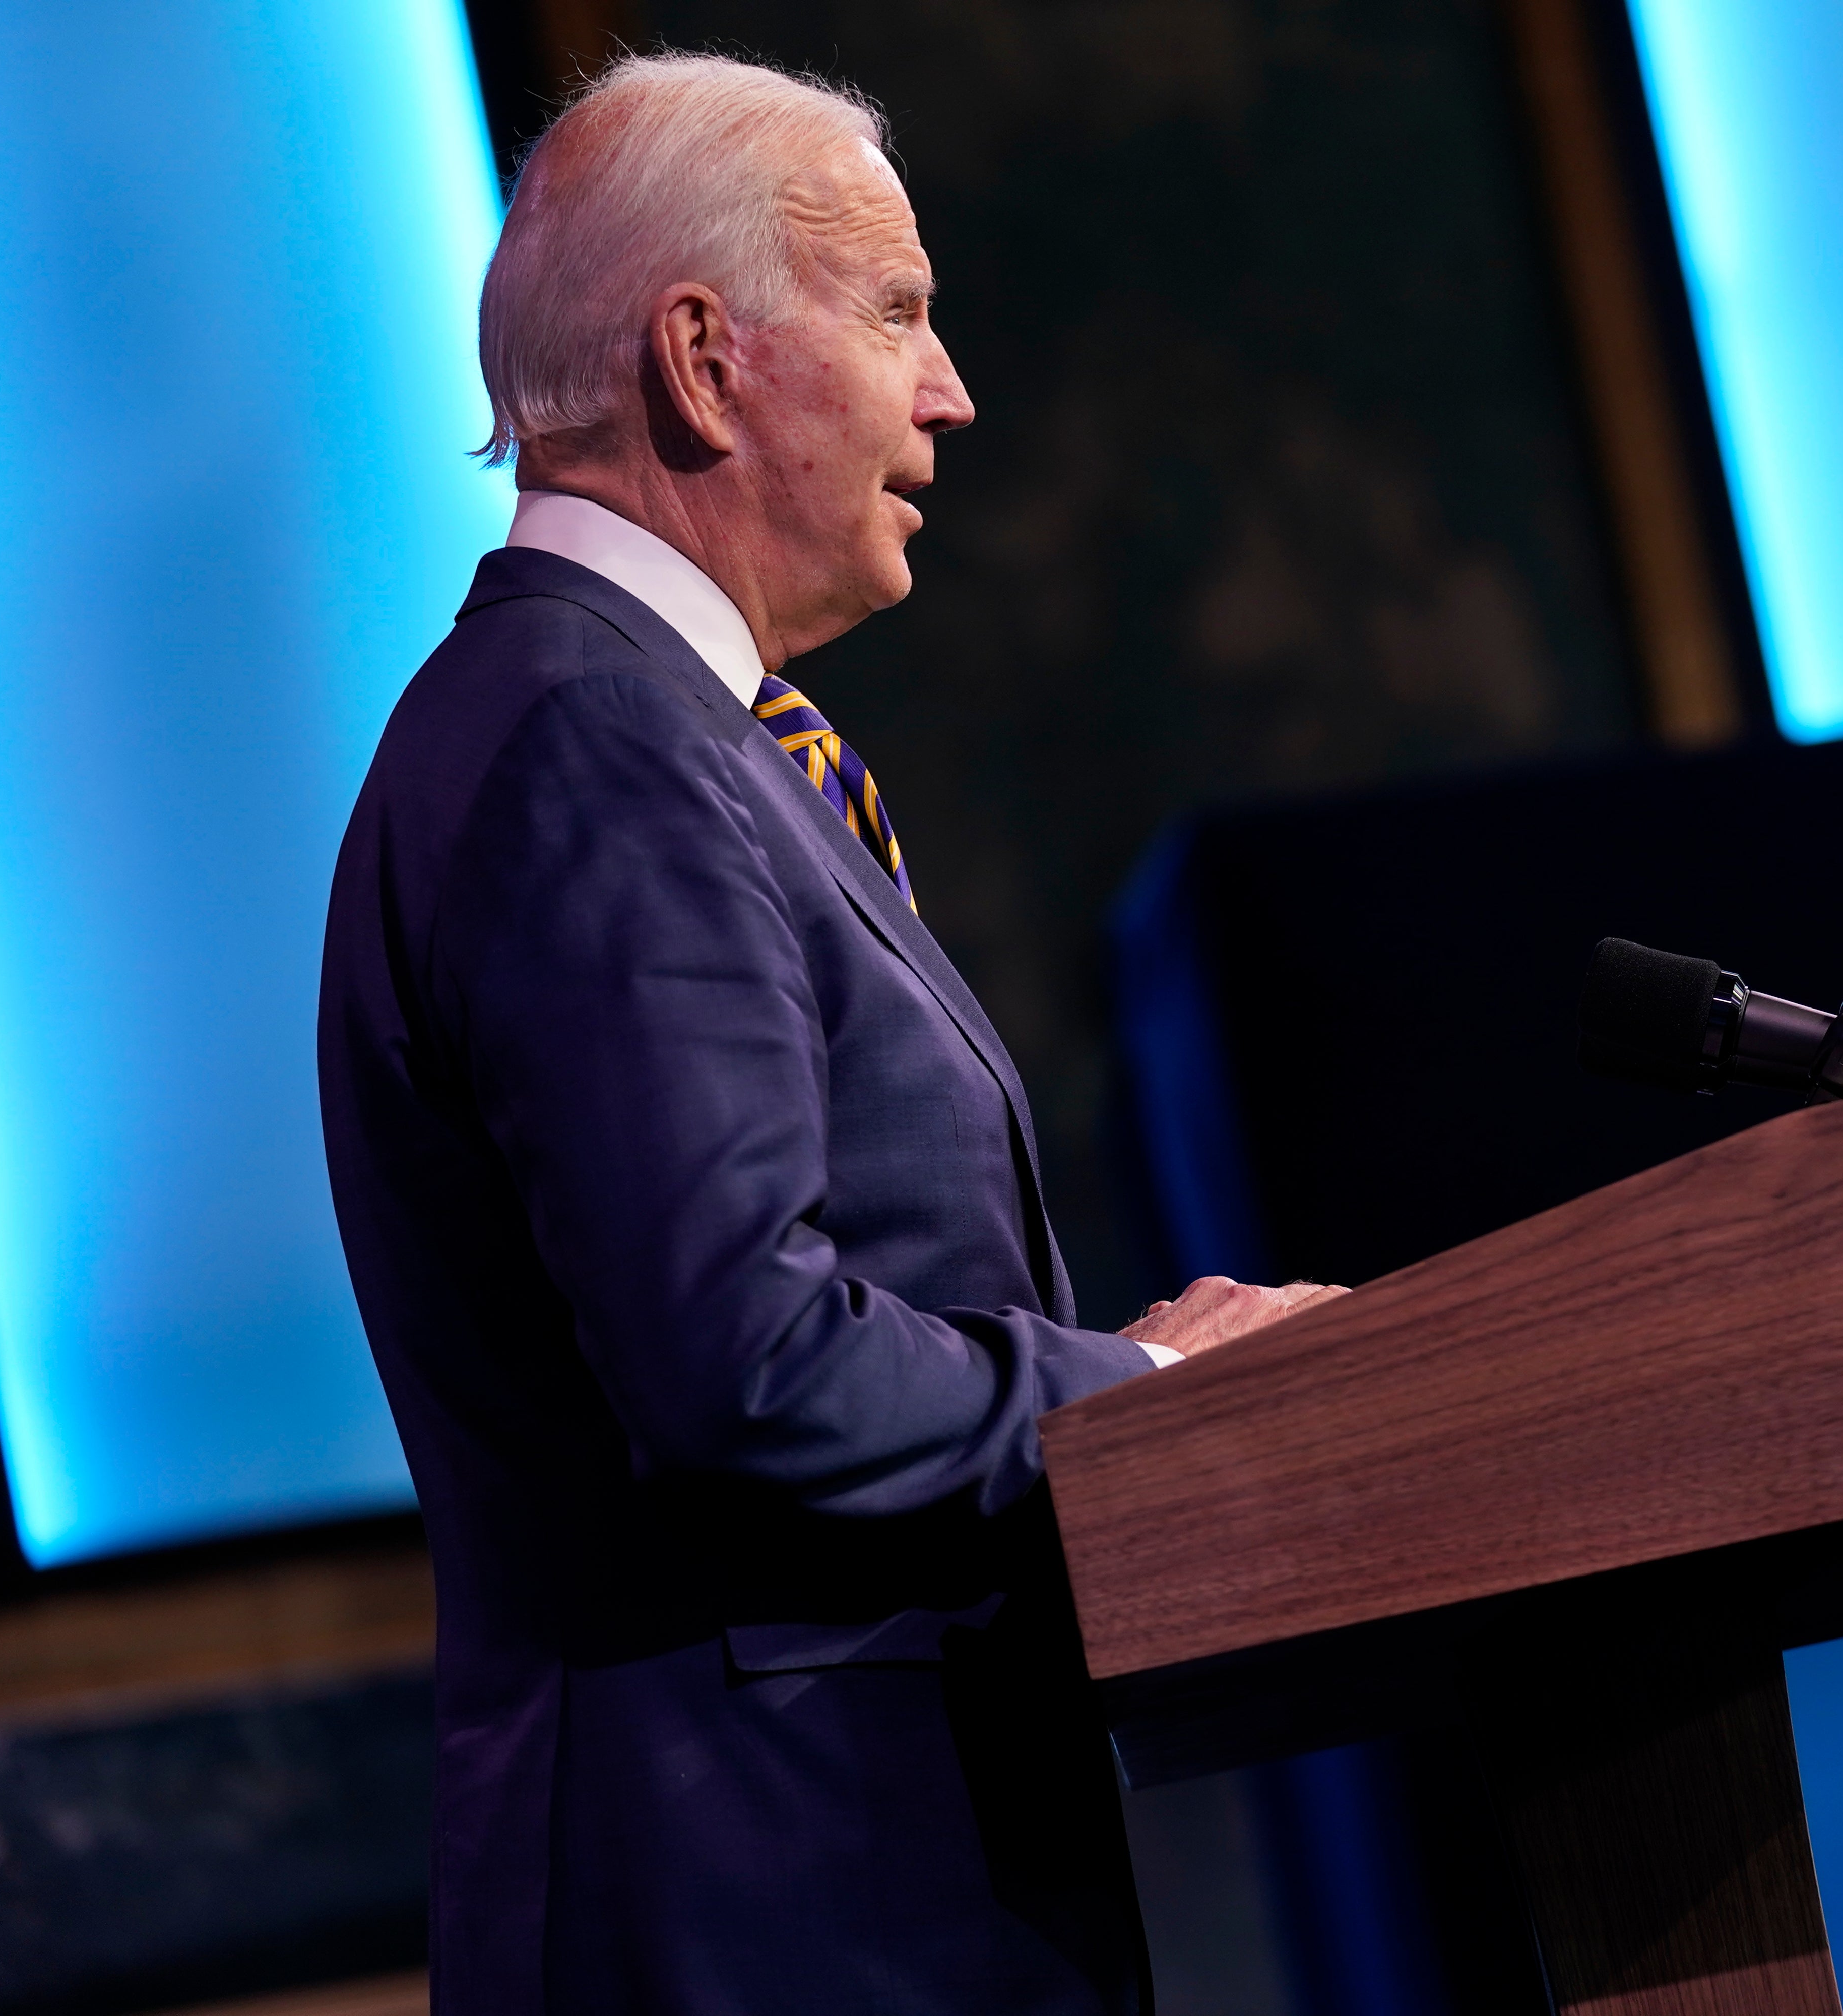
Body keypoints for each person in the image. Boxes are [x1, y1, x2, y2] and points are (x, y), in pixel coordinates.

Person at [317, 53, 1337, 2015]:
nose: (951, 390)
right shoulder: (591, 747)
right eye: (895, 314)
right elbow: (745, 1360)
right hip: (775, 1908)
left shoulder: (657, 735)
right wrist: (1126, 1382)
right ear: (703, 364)